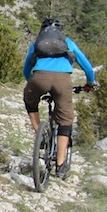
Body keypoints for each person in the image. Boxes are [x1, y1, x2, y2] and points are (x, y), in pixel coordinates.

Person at [23, 19, 97, 178]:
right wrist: (90, 83)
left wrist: (34, 83)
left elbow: (26, 70)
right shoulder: (68, 42)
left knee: (30, 100)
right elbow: (87, 67)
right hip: (63, 81)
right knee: (65, 119)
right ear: (61, 30)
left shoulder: (37, 43)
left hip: (39, 78)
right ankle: (61, 164)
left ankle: (39, 133)